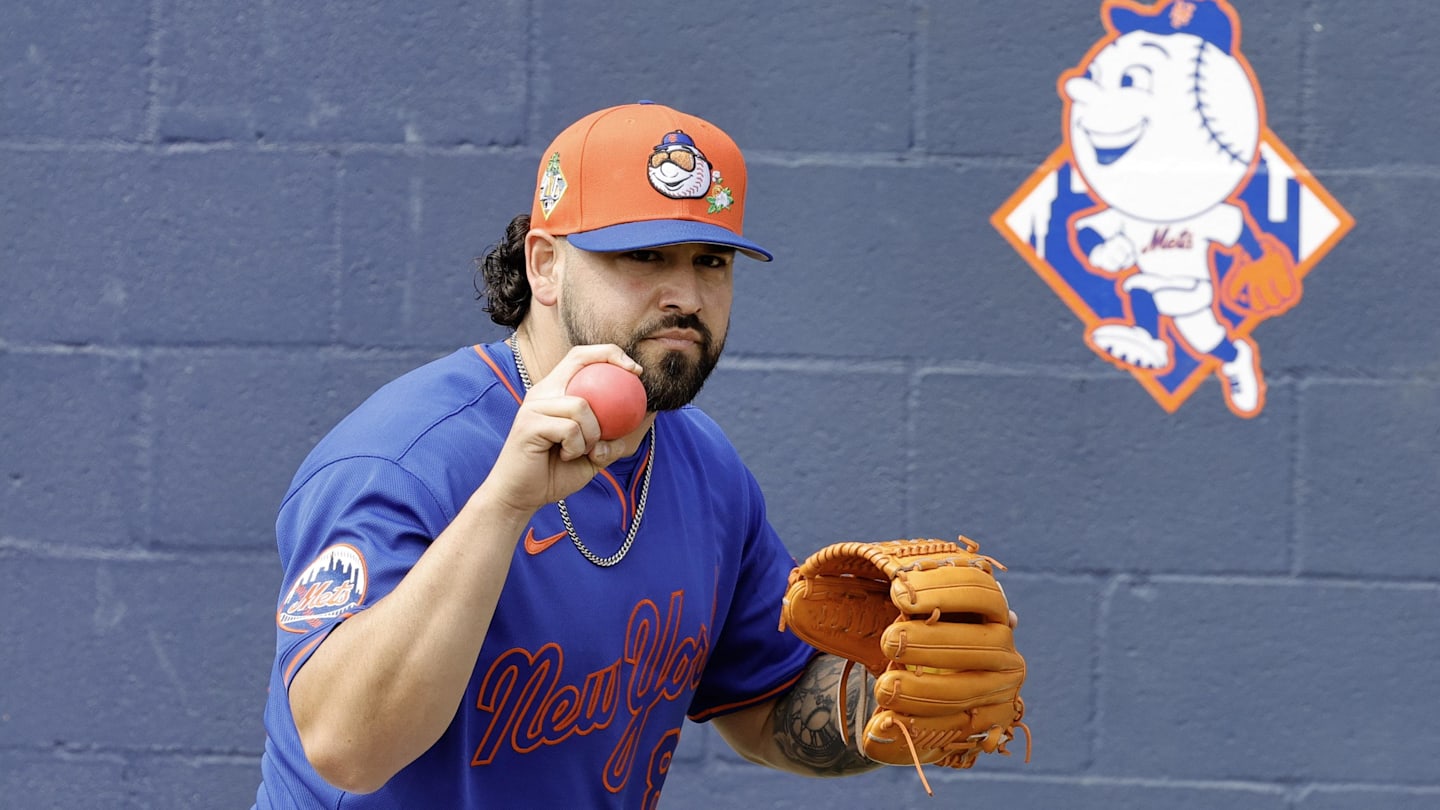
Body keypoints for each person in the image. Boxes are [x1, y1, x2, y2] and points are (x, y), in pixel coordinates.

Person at [252, 101, 883, 808]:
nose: (687, 295)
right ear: (545, 266)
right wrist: (505, 505)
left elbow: (768, 707)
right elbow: (346, 748)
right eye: (644, 256)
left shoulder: (705, 468)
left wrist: (897, 696)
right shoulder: (404, 457)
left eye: (712, 261)